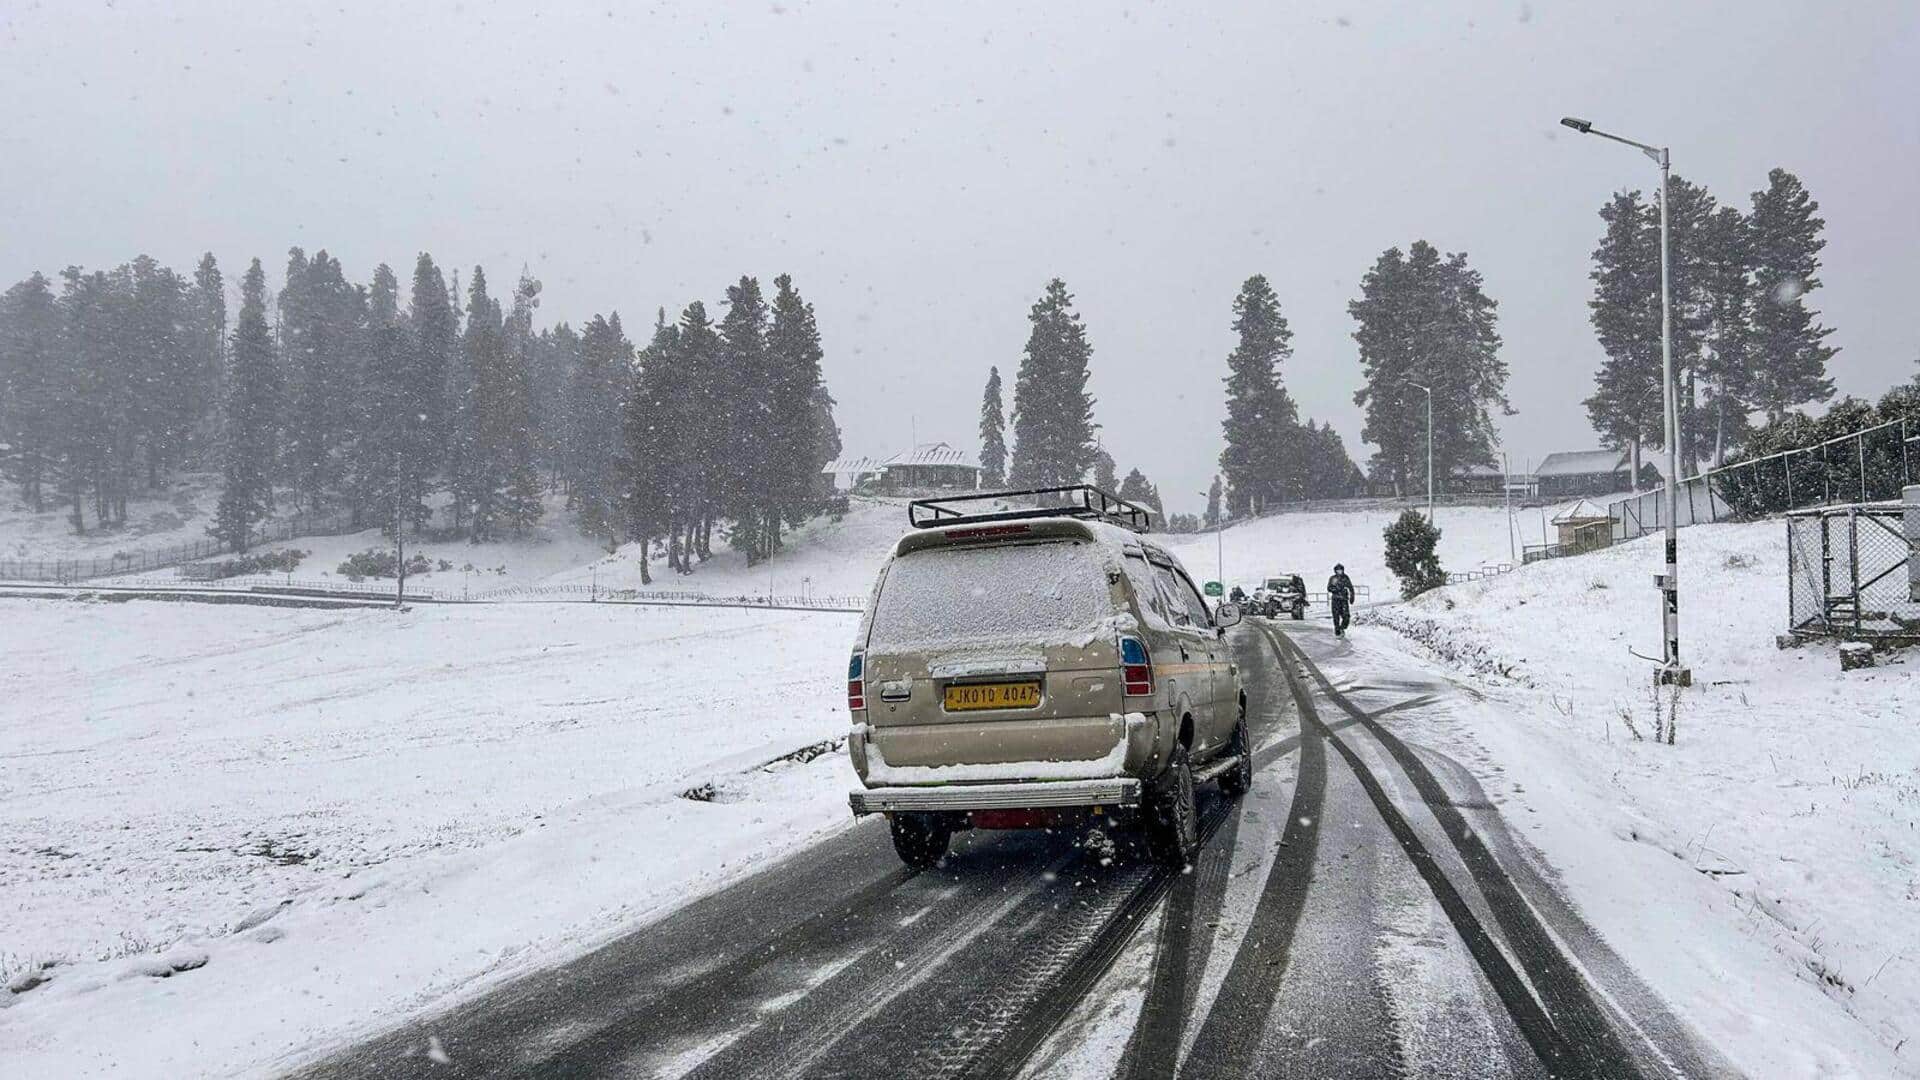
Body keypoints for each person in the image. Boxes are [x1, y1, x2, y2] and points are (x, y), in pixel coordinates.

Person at [1327, 563, 1355, 637]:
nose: (1339, 571)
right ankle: (1337, 632)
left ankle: (1342, 627)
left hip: (1344, 600)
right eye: (1338, 570)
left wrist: (1352, 597)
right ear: (1335, 571)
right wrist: (1336, 589)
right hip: (1335, 600)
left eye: (1340, 570)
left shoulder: (1346, 578)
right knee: (1336, 616)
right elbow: (1329, 588)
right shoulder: (1332, 578)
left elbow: (1351, 588)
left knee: (1346, 616)